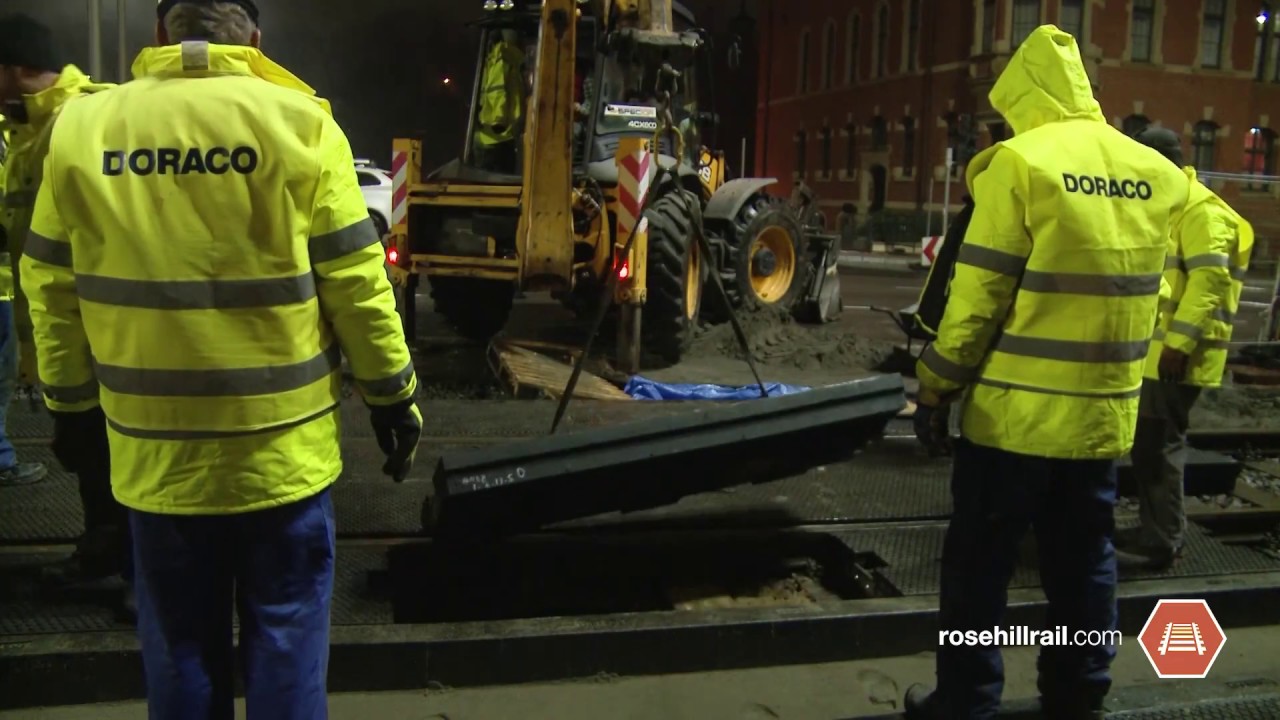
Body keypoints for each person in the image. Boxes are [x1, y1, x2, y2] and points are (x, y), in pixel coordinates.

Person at [21, 1, 422, 716]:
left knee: (180, 649)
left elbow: (49, 288)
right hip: (282, 462)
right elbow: (357, 286)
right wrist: (393, 397)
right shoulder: (301, 124)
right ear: (255, 40)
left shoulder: (83, 128)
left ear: (160, 35)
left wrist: (70, 407)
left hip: (154, 462)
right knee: (286, 642)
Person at [903, 25, 1190, 719]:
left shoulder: (1021, 163)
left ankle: (968, 699)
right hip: (1099, 423)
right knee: (1085, 563)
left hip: (1013, 422)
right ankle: (1079, 690)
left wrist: (934, 385)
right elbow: (1149, 295)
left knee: (979, 568)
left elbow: (976, 304)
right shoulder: (1156, 175)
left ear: (1024, 97)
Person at [1117, 127, 1253, 571]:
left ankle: (1162, 542)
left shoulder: (1201, 210)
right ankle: (1155, 530)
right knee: (1149, 448)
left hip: (1175, 358)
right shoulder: (1176, 205)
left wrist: (1179, 342)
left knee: (1159, 449)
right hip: (1159, 356)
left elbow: (1209, 281)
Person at [3, 17, 115, 503]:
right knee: (92, 461)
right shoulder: (29, 130)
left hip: (98, 332)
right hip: (64, 329)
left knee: (104, 459)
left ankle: (112, 541)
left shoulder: (79, 121)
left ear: (14, 69)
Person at [473, 29, 525, 173]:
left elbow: (498, 93)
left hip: (493, 136)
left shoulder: (500, 59)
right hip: (506, 134)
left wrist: (497, 121)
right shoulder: (513, 62)